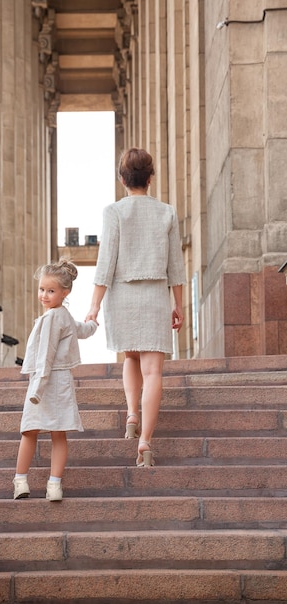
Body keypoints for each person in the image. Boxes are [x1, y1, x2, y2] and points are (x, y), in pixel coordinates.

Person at [85, 147, 186, 467]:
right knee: (153, 370)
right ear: (151, 178)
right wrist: (179, 304)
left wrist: (93, 307)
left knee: (129, 354)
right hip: (156, 293)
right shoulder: (167, 212)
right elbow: (176, 265)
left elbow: (106, 262)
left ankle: (132, 414)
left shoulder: (113, 212)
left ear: (122, 180)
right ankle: (145, 442)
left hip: (122, 295)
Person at [13, 258, 97, 501]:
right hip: (61, 382)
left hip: (45, 380)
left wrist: (37, 388)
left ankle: (20, 480)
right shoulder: (64, 315)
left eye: (51, 291)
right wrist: (93, 323)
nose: (44, 295)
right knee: (58, 434)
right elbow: (82, 330)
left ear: (65, 292)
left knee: (29, 431)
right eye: (42, 289)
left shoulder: (51, 318)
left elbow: (46, 355)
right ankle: (54, 485)